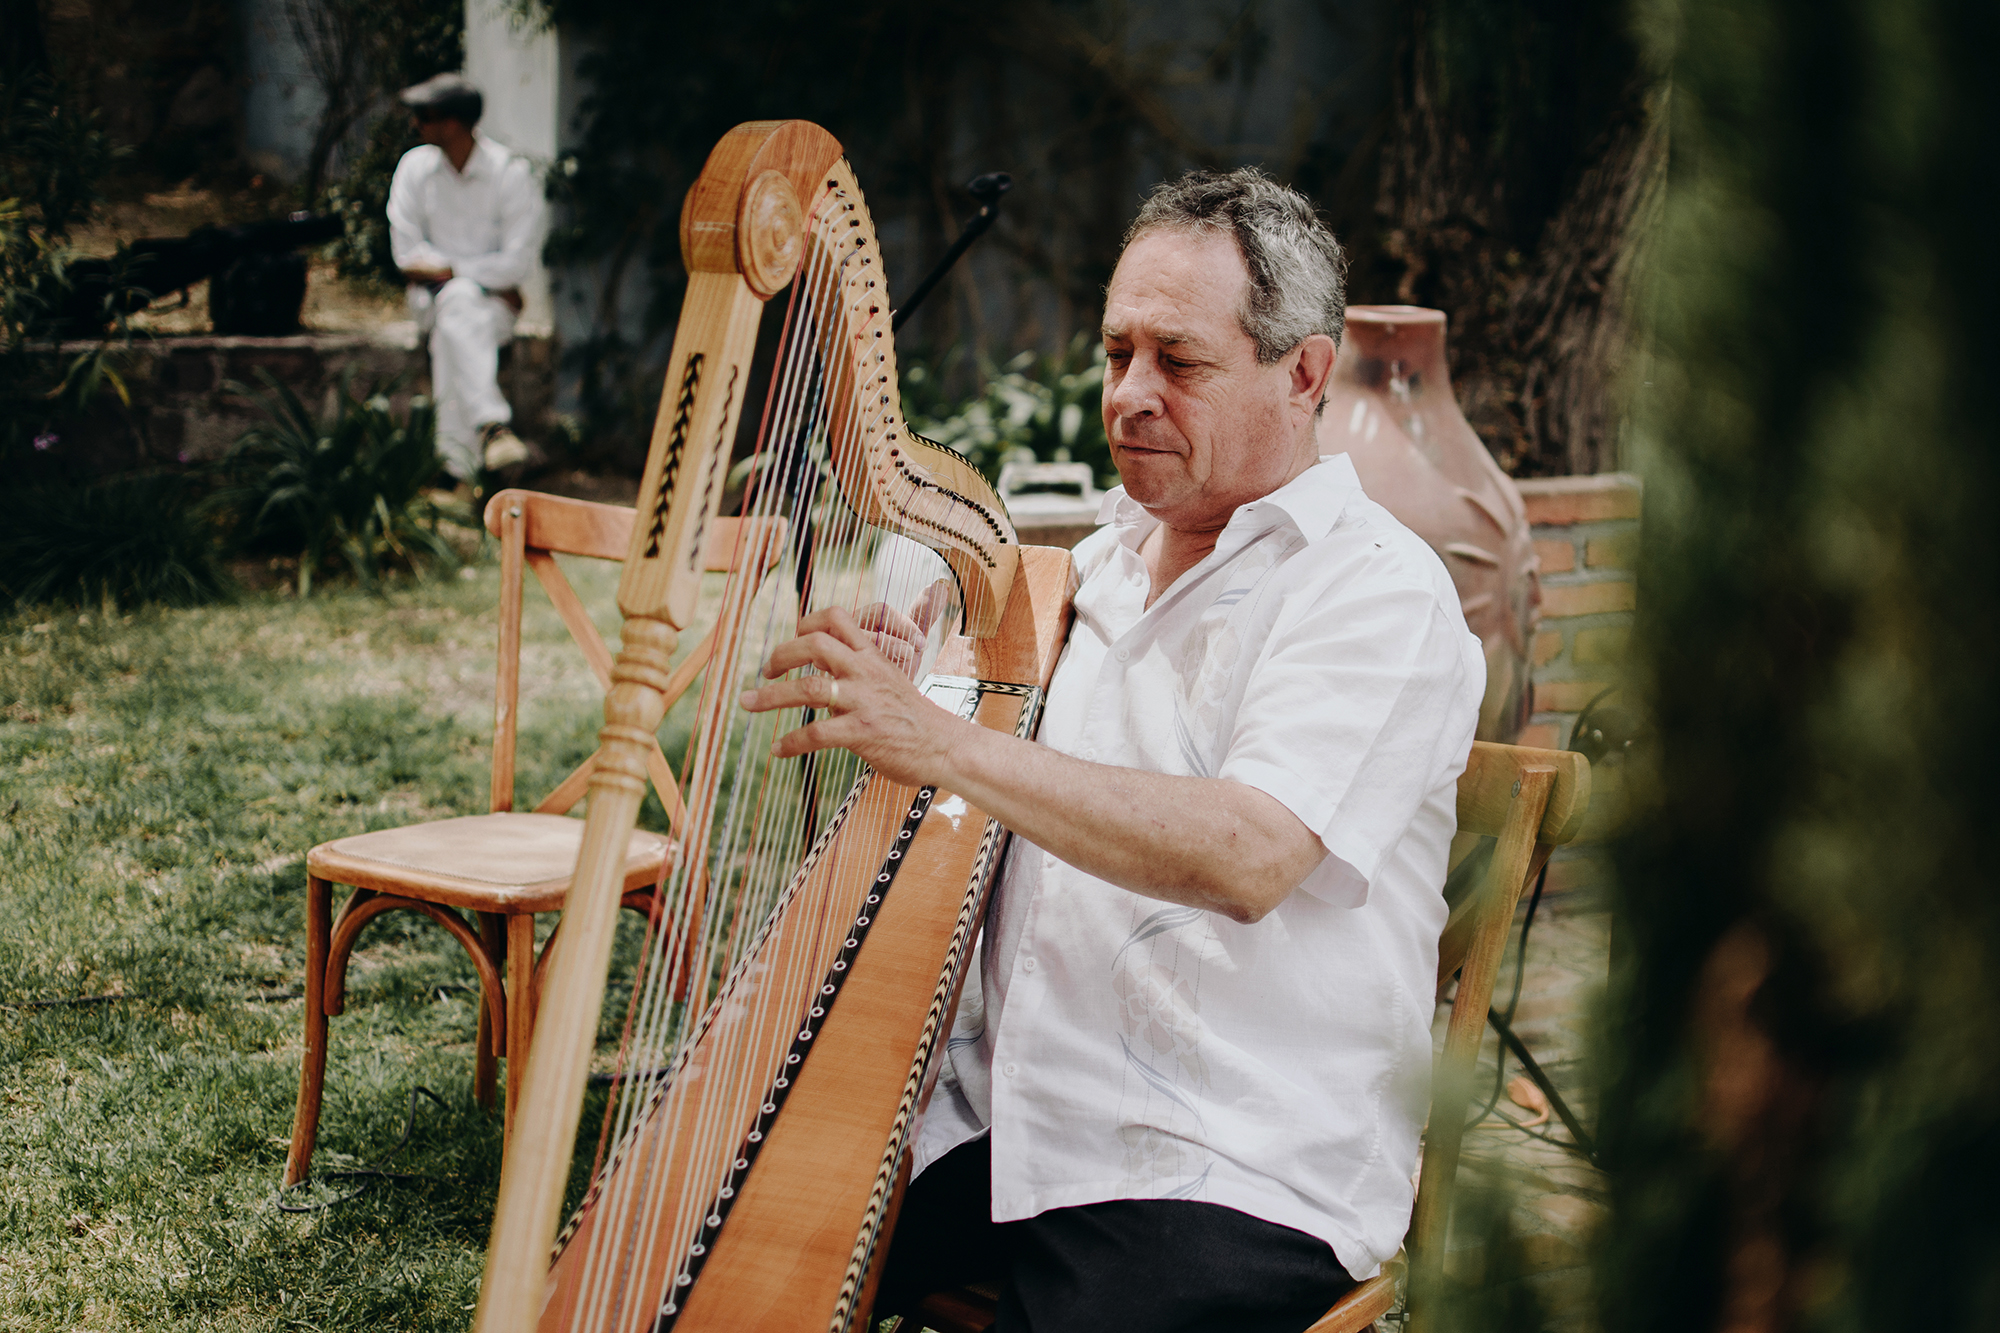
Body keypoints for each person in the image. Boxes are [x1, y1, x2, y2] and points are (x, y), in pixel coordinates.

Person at [741, 169, 1484, 1332]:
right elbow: (980, 778)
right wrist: (907, 686)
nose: (1128, 394)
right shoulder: (1080, 571)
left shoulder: (1375, 591)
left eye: (1176, 361)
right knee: (743, 1246)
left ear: (1303, 374)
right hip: (1015, 1124)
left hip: (1229, 1158)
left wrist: (939, 737)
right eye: (1115, 352)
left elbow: (1249, 851)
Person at [387, 72, 544, 483]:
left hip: (487, 310)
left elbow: (516, 265)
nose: (415, 125)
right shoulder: (413, 169)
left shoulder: (510, 173)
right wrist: (476, 275)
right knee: (456, 303)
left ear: (453, 123)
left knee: (454, 321)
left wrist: (450, 271)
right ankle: (493, 427)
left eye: (424, 115)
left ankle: (458, 472)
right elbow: (405, 255)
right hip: (438, 300)